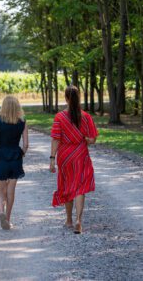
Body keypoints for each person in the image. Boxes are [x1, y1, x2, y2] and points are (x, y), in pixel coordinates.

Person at [49, 85, 98, 234]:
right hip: (81, 154)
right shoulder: (86, 116)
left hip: (65, 156)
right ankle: (79, 220)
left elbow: (56, 139)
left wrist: (52, 158)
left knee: (67, 185)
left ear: (66, 98)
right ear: (79, 98)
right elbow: (92, 139)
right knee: (80, 187)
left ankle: (69, 220)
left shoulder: (60, 117)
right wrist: (85, 139)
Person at [0, 96, 29, 230]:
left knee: (0, 192)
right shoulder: (22, 121)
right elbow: (26, 144)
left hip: (0, 157)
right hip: (15, 159)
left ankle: (1, 212)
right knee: (11, 191)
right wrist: (21, 154)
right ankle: (7, 218)